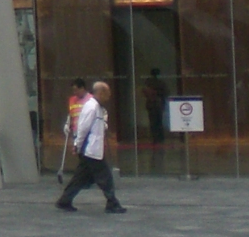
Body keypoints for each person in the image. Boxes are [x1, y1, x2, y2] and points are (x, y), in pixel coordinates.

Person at [56, 80, 126, 214]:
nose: (109, 96)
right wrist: (77, 144)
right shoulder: (91, 107)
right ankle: (112, 203)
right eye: (107, 93)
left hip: (92, 150)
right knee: (105, 178)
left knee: (80, 178)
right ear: (101, 92)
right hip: (91, 151)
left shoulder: (97, 107)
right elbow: (83, 128)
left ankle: (64, 201)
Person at [142, 67, 169, 147]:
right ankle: (160, 138)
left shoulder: (148, 82)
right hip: (158, 104)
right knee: (159, 121)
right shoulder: (161, 83)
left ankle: (155, 138)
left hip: (152, 104)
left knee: (153, 122)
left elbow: (144, 92)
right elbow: (166, 92)